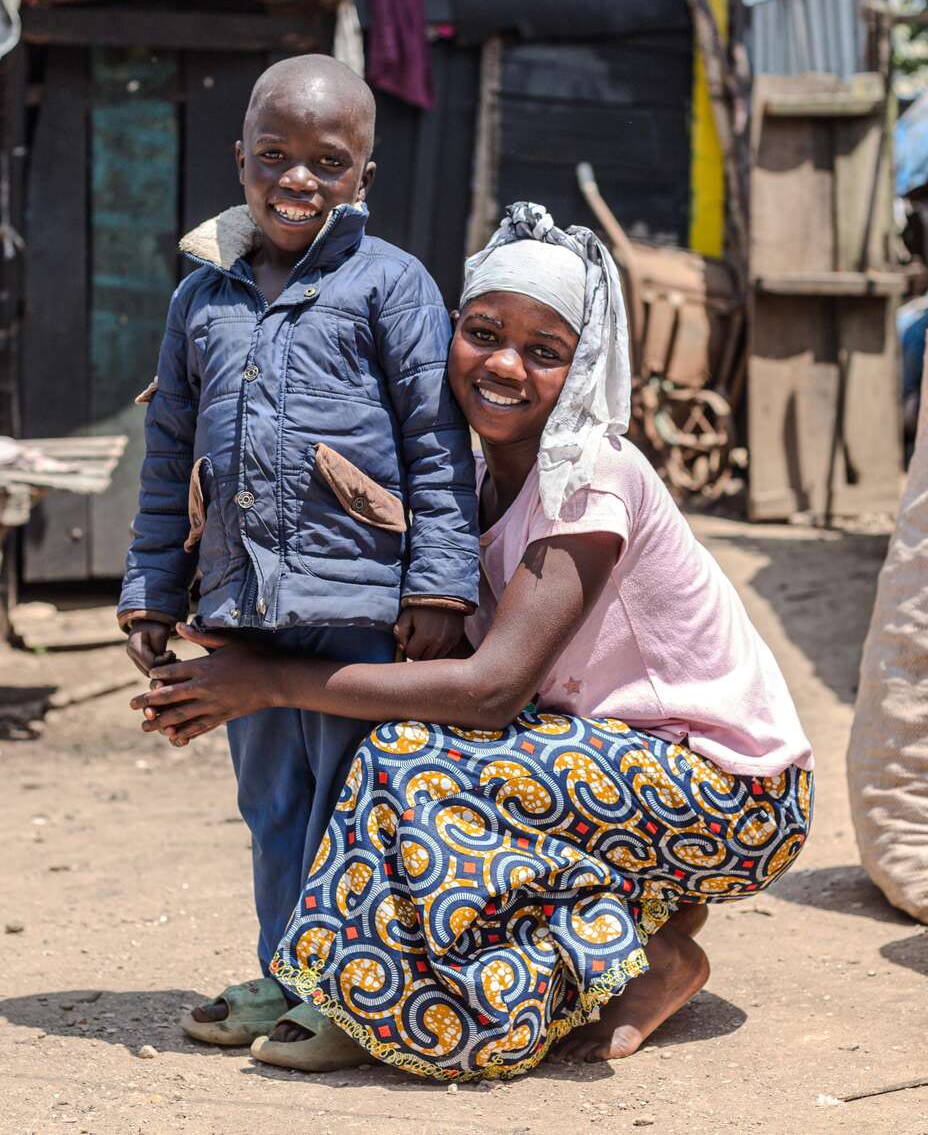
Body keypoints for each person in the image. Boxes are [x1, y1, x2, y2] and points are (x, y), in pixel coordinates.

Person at [133, 203, 814, 1080]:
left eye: (544, 350)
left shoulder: (589, 477)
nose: (503, 364)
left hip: (732, 792)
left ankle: (383, 1002)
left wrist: (268, 681)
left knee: (412, 758)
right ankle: (648, 954)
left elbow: (492, 688)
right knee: (416, 748)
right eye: (483, 331)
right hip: (613, 767)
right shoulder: (464, 476)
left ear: (583, 365)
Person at [118, 55, 480, 1047]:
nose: (298, 180)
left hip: (360, 603)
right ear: (240, 161)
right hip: (242, 600)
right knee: (271, 803)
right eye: (274, 155)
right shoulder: (201, 298)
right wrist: (153, 585)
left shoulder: (391, 285)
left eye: (328, 160)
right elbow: (166, 460)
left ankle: (353, 997)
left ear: (364, 174)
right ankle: (287, 976)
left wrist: (441, 586)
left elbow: (436, 445)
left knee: (356, 803)